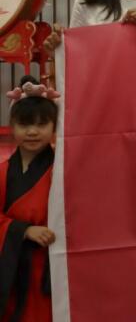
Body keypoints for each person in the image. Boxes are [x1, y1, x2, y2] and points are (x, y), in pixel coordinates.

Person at [0, 76, 60, 322]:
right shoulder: (3, 171)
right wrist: (22, 230)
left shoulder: (62, 171)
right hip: (10, 265)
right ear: (12, 126)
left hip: (51, 265)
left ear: (54, 127)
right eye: (24, 124)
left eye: (42, 124)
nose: (33, 131)